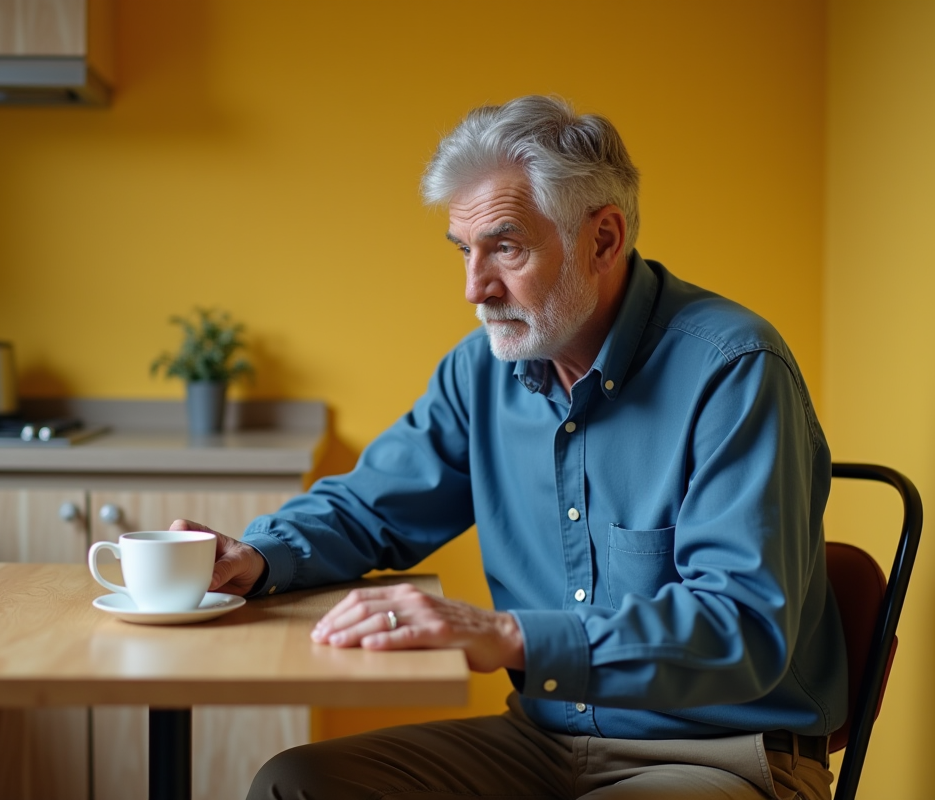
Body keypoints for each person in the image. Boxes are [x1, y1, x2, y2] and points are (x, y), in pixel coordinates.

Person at [172, 95, 846, 800]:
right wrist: (258, 556)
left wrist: (508, 635)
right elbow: (370, 508)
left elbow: (740, 626)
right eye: (465, 251)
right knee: (296, 785)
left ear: (604, 240)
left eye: (506, 247)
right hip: (541, 741)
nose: (474, 288)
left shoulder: (732, 368)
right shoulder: (480, 370)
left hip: (721, 753)